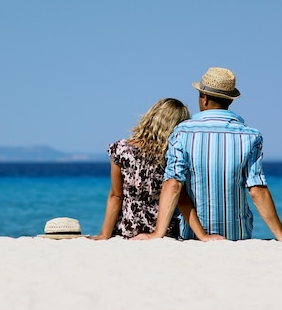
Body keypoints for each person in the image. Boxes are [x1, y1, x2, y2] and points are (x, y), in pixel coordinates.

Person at [134, 67, 282, 241]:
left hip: (193, 235)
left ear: (204, 98)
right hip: (237, 234)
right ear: (230, 100)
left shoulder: (182, 133)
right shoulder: (250, 136)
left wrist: (157, 234)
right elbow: (257, 190)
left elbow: (173, 184)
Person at [93, 98, 222, 241]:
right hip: (164, 232)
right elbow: (181, 200)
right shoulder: (171, 157)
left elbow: (116, 196)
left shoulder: (121, 150)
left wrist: (104, 234)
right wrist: (203, 235)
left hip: (126, 230)